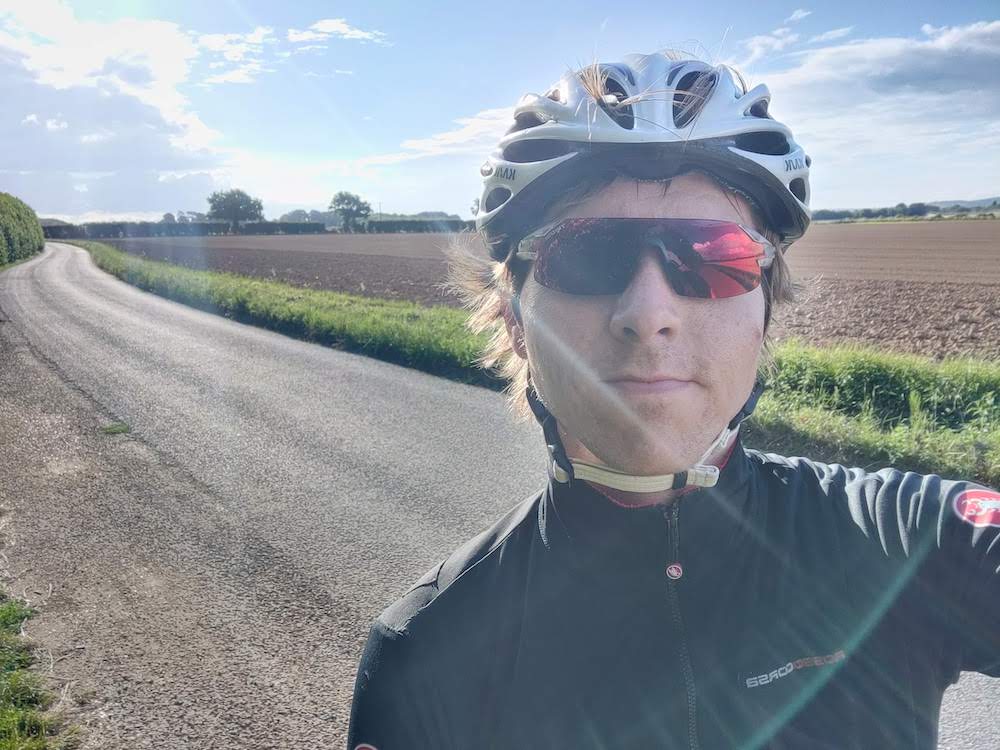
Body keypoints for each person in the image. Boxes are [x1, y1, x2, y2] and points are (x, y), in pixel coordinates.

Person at [346, 51, 1000, 750]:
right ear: (514, 319)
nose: (648, 311)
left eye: (711, 257)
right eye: (585, 255)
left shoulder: (909, 539)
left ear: (767, 309)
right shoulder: (423, 654)